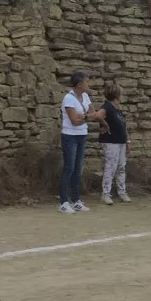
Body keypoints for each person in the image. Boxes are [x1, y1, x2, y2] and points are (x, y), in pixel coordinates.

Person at [59, 71, 105, 213]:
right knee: (69, 168)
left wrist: (85, 117)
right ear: (79, 84)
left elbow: (94, 113)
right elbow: (74, 121)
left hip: (82, 135)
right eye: (86, 82)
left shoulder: (85, 96)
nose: (88, 84)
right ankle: (64, 202)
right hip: (69, 136)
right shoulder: (68, 98)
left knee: (78, 169)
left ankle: (76, 200)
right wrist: (88, 117)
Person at [97, 82, 131, 204]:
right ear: (116, 95)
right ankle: (106, 193)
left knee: (121, 167)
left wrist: (127, 140)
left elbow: (123, 127)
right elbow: (98, 115)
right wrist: (105, 124)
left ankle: (122, 192)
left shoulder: (118, 110)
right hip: (111, 142)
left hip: (120, 141)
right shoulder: (107, 107)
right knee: (111, 167)